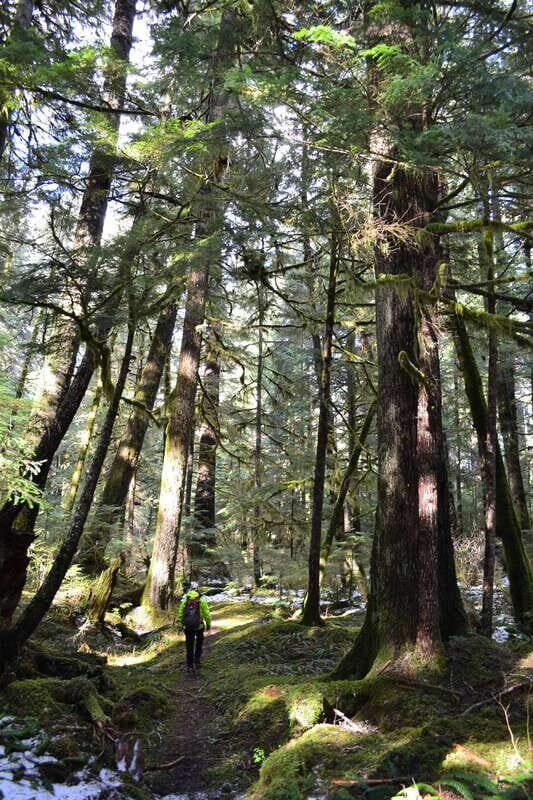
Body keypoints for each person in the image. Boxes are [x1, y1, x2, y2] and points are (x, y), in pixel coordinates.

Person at [178, 581, 211, 674]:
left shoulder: (185, 599)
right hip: (199, 626)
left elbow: (180, 613)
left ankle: (189, 665)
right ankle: (197, 661)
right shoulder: (201, 599)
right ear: (197, 589)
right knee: (199, 644)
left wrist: (182, 623)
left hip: (188, 627)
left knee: (189, 646)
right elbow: (206, 613)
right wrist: (208, 624)